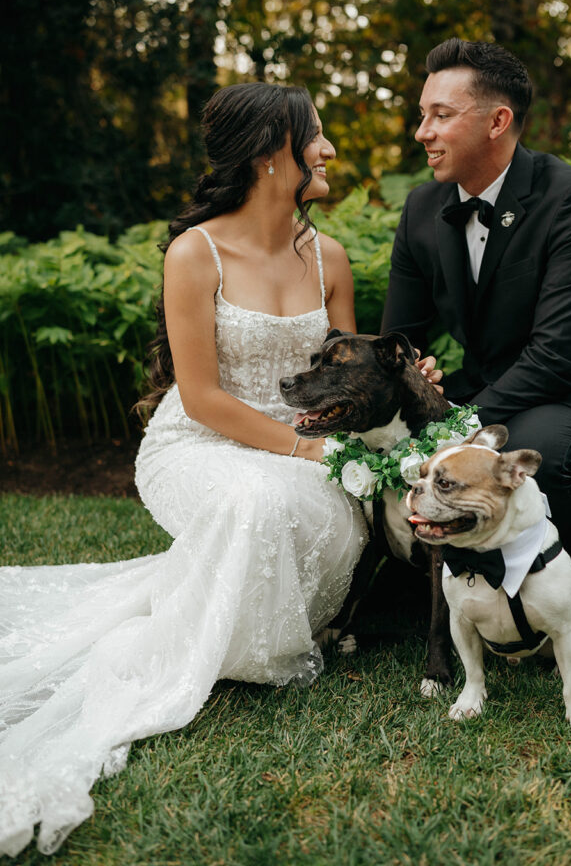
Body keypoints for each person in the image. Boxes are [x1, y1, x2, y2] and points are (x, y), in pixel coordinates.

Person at [0, 83, 368, 856]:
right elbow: (200, 397)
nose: (329, 151)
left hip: (304, 441)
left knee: (315, 508)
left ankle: (213, 612)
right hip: (201, 444)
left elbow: (345, 381)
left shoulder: (328, 256)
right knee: (255, 504)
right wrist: (304, 449)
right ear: (273, 154)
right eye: (317, 138)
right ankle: (236, 648)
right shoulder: (194, 253)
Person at [381, 38, 571, 613]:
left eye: (440, 116)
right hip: (487, 385)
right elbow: (400, 338)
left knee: (541, 446)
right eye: (422, 115)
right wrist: (414, 374)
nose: (422, 132)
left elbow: (558, 355)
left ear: (498, 121)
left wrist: (462, 427)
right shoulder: (422, 208)